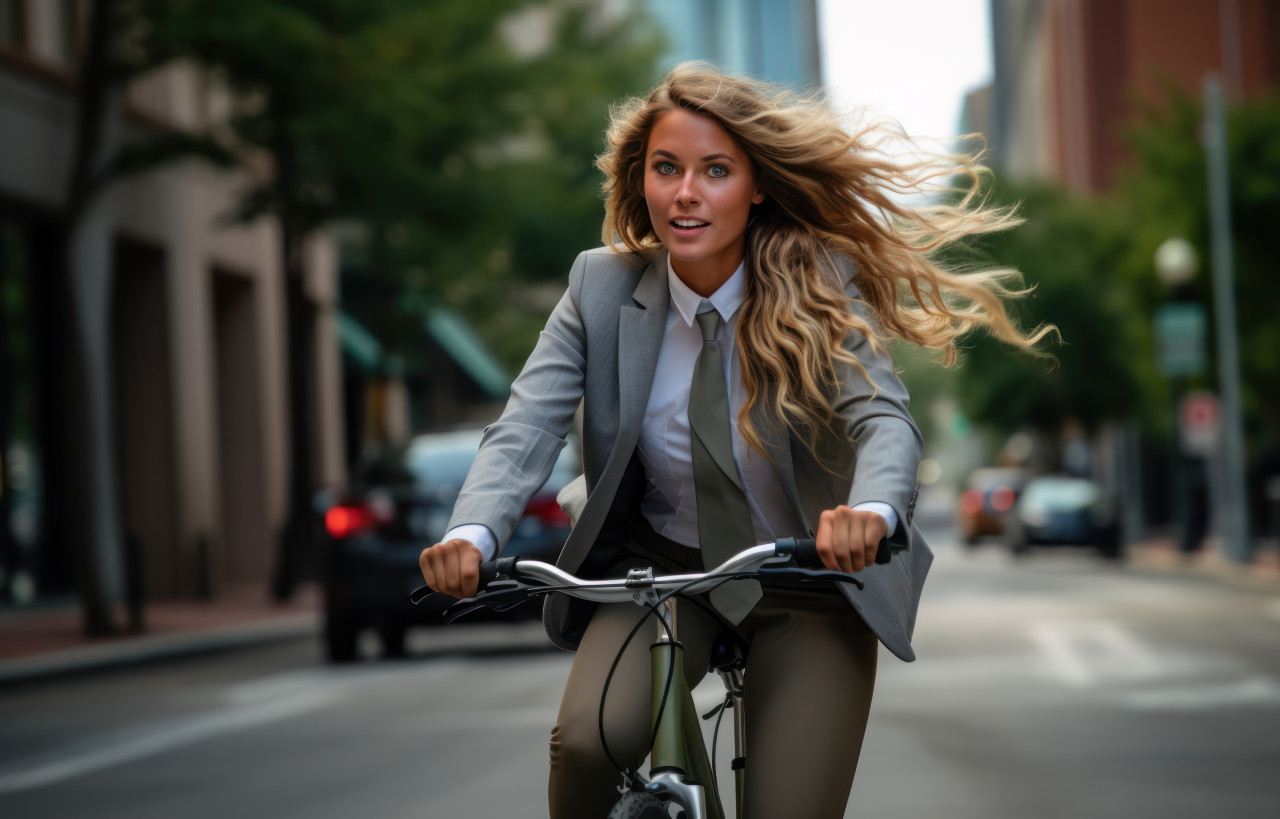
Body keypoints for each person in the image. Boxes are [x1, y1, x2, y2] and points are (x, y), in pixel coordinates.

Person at [419, 63, 1050, 818]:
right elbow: (525, 423)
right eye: (667, 168)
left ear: (754, 185)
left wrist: (872, 514)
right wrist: (471, 530)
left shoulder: (819, 280)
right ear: (642, 181)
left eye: (715, 170)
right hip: (662, 574)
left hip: (806, 578)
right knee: (586, 745)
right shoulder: (599, 287)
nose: (687, 192)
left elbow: (883, 418)